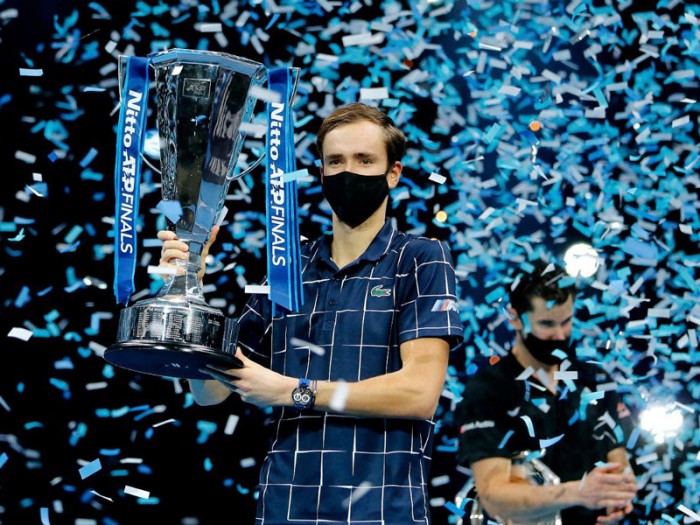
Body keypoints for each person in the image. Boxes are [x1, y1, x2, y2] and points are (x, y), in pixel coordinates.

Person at [159, 102, 463, 524]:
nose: (348, 172)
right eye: (335, 161)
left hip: (381, 513)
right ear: (320, 173)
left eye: (364, 160)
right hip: (284, 510)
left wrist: (294, 391)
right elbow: (210, 391)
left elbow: (419, 393)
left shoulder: (421, 259)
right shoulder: (288, 268)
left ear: (393, 173)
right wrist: (190, 285)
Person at [454, 262, 637, 525]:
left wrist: (618, 497)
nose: (559, 335)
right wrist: (577, 493)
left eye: (566, 321)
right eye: (546, 324)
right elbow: (493, 497)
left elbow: (618, 459)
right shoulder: (488, 390)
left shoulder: (595, 380)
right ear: (515, 317)